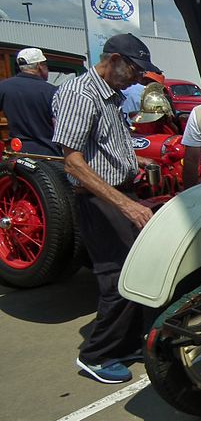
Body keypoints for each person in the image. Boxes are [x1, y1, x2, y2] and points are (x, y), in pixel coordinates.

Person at [52, 33, 160, 384]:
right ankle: (96, 355)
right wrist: (126, 204)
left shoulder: (110, 96)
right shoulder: (80, 93)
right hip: (98, 198)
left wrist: (133, 160)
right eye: (134, 69)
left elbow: (99, 147)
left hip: (114, 190)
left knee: (136, 271)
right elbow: (73, 163)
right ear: (113, 59)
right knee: (117, 278)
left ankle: (123, 343)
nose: (138, 77)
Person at [0, 47, 60, 156]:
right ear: (39, 66)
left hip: (16, 152)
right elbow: (59, 125)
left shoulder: (3, 87)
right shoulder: (52, 91)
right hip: (48, 155)